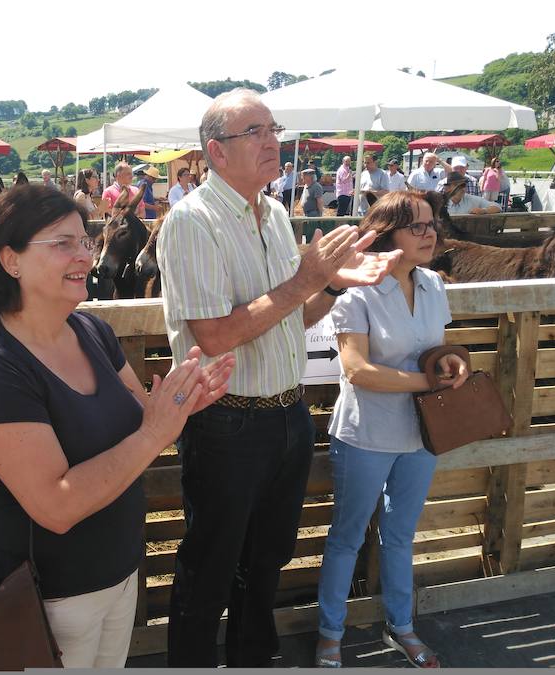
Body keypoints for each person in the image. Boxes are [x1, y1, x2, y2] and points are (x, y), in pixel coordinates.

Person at [157, 88, 401, 668]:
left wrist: (336, 283)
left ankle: (251, 659)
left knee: (266, 560)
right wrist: (307, 279)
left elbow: (297, 313)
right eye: (256, 132)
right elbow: (214, 336)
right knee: (211, 567)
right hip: (225, 421)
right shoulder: (193, 221)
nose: (273, 141)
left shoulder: (271, 212)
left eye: (273, 128)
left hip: (286, 415)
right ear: (216, 153)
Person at [0, 184, 234, 667]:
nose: (84, 254)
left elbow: (143, 420)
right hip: (52, 598)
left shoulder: (91, 331)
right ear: (11, 261)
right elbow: (56, 505)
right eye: (61, 243)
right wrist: (155, 433)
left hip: (121, 571)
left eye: (84, 240)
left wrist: (179, 404)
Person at [314, 190, 467, 669]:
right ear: (386, 235)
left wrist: (452, 367)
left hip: (421, 433)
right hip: (365, 433)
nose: (430, 233)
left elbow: (433, 352)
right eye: (417, 226)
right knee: (347, 536)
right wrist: (431, 380)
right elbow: (356, 370)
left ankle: (401, 626)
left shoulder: (433, 285)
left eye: (431, 224)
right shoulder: (357, 289)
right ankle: (329, 634)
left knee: (401, 536)